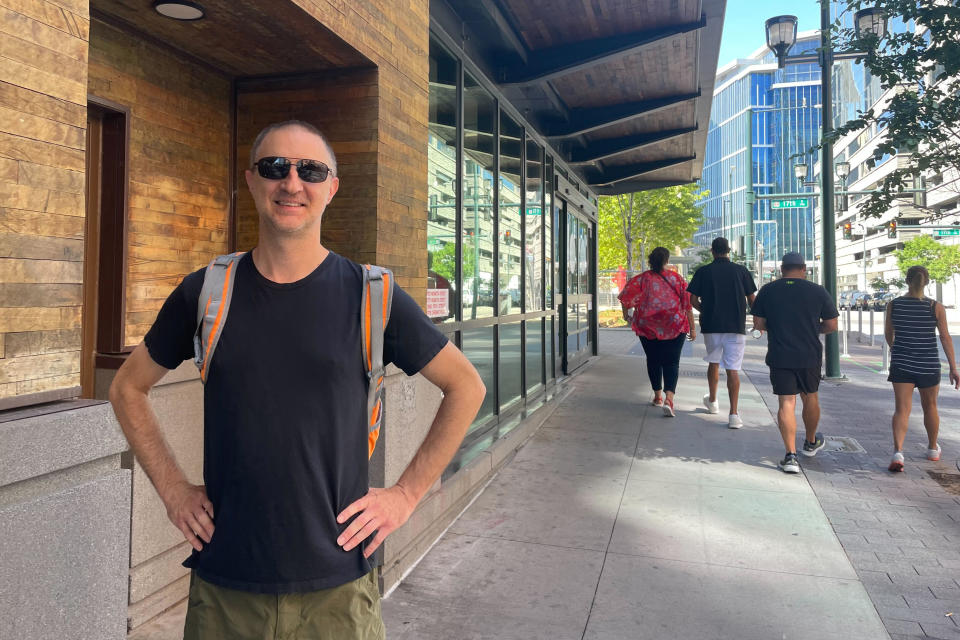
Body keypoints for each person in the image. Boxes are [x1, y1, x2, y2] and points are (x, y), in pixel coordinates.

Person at [109, 120, 486, 639]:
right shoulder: (207, 292)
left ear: (331, 188)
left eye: (310, 170)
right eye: (274, 167)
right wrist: (173, 490)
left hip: (338, 594)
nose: (292, 182)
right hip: (225, 591)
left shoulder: (370, 295)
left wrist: (404, 495)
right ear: (251, 181)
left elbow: (466, 387)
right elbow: (126, 387)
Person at [751, 252, 838, 474]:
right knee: (810, 397)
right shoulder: (817, 291)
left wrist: (778, 328)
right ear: (804, 268)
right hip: (809, 354)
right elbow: (831, 325)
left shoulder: (768, 291)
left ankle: (790, 456)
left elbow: (759, 323)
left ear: (782, 269)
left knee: (786, 403)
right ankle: (810, 442)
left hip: (780, 354)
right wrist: (812, 329)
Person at [884, 265, 959, 472]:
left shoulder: (894, 305)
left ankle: (898, 452)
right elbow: (945, 338)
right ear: (926, 282)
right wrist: (954, 368)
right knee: (931, 407)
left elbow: (889, 333)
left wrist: (895, 349)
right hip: (928, 364)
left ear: (907, 281)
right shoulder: (935, 307)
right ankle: (933, 448)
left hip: (901, 364)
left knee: (902, 409)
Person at [686, 237, 757, 428]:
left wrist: (706, 310)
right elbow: (752, 300)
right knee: (733, 368)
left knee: (714, 362)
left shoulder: (704, 271)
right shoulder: (741, 271)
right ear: (728, 251)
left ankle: (713, 402)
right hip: (736, 326)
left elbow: (692, 299)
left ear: (712, 251)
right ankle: (734, 414)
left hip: (711, 325)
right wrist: (759, 321)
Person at [618, 248, 697, 417]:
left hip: (648, 327)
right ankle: (670, 398)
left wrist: (626, 315)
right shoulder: (676, 279)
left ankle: (658, 396)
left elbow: (625, 296)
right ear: (666, 261)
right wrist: (692, 328)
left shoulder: (642, 279)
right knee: (672, 362)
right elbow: (687, 305)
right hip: (675, 326)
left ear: (650, 260)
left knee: (653, 360)